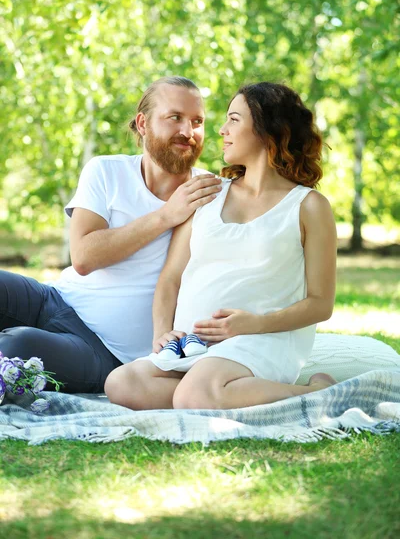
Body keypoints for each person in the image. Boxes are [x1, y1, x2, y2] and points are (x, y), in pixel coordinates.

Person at [105, 81, 337, 411]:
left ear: (267, 128)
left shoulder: (309, 206)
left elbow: (320, 304)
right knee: (122, 383)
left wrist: (251, 323)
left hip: (260, 340)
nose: (222, 130)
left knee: (193, 394)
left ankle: (320, 394)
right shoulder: (207, 194)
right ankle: (229, 393)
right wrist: (163, 332)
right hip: (195, 345)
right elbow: (171, 278)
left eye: (234, 119)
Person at [0, 76, 222, 393]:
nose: (188, 132)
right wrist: (165, 215)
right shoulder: (106, 171)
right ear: (143, 124)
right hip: (55, 300)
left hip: (106, 352)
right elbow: (84, 257)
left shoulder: (208, 193)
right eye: (175, 117)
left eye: (197, 121)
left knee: (16, 347)